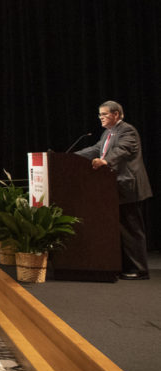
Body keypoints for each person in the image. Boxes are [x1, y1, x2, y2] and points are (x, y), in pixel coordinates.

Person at [76, 100, 153, 280]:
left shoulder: (127, 130)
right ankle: (124, 265)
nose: (100, 118)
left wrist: (106, 161)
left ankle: (140, 269)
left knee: (132, 229)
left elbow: (122, 150)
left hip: (128, 186)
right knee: (120, 229)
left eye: (104, 114)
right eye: (99, 115)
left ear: (116, 114)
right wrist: (69, 157)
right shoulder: (108, 133)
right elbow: (95, 149)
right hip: (114, 187)